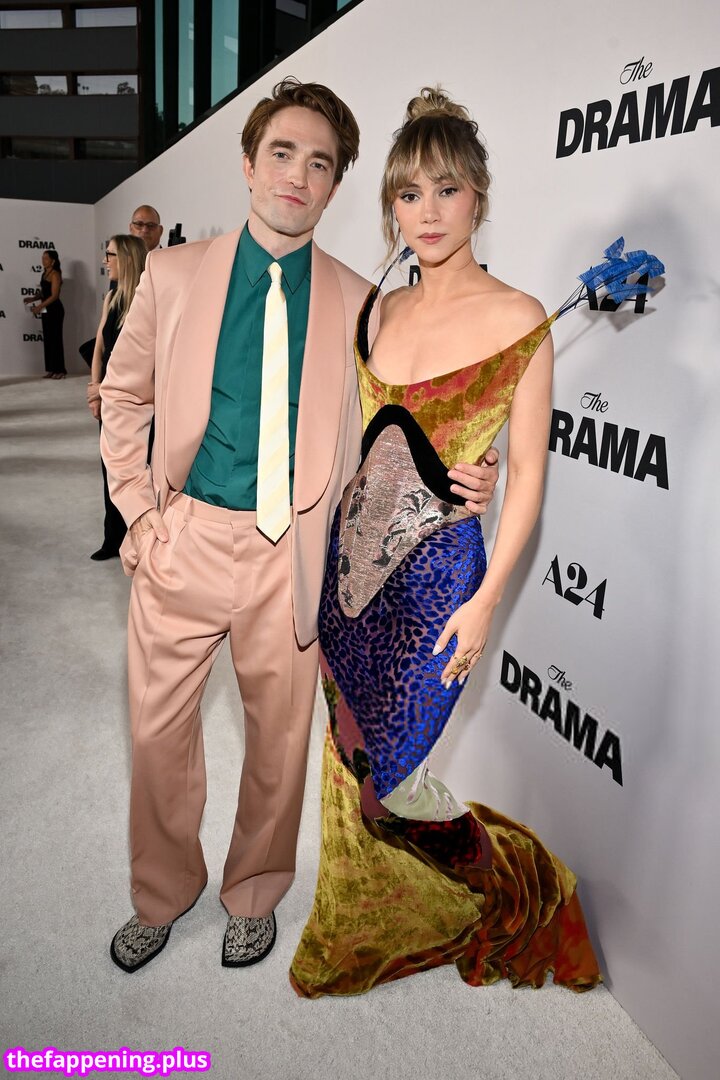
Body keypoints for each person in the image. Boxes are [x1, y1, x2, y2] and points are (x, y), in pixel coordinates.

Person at [99, 78, 499, 975]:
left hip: (295, 556)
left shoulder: (362, 304)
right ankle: (162, 893)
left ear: (335, 185)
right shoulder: (173, 274)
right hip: (185, 537)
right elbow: (122, 398)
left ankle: (254, 892)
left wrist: (477, 466)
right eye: (281, 153)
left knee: (278, 748)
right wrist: (140, 517)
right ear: (249, 164)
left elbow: (405, 424)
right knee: (157, 740)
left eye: (320, 164)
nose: (297, 175)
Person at [290, 88, 602, 997]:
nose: (426, 213)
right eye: (407, 194)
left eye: (446, 190)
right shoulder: (380, 311)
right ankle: (364, 916)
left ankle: (507, 886)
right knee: (352, 759)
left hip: (441, 584)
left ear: (479, 197)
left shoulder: (520, 317)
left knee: (397, 780)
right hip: (353, 574)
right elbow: (372, 444)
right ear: (390, 205)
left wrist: (485, 600)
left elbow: (529, 478)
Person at [86, 235, 147, 561]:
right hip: (109, 397)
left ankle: (139, 540)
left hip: (135, 402)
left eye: (110, 255)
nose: (105, 261)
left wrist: (104, 388)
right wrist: (95, 389)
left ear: (126, 258)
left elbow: (143, 363)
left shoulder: (146, 299)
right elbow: (99, 347)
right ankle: (112, 539)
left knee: (135, 471)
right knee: (108, 468)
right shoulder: (110, 297)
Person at [24, 249, 66, 378]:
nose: (43, 260)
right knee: (48, 339)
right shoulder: (44, 273)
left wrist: (39, 306)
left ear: (53, 261)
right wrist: (33, 299)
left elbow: (54, 295)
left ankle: (60, 370)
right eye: (43, 258)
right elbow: (44, 292)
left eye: (46, 258)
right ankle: (51, 369)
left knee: (56, 339)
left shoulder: (55, 274)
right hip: (46, 310)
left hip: (55, 310)